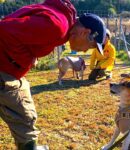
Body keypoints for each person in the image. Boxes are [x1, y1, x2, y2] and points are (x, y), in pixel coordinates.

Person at [0, 0, 106, 149]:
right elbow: (3, 30)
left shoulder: (60, 20)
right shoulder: (57, 27)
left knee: (26, 115)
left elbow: (20, 33)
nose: (85, 51)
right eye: (91, 46)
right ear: (86, 33)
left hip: (8, 68)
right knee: (25, 120)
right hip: (4, 70)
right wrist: (27, 59)